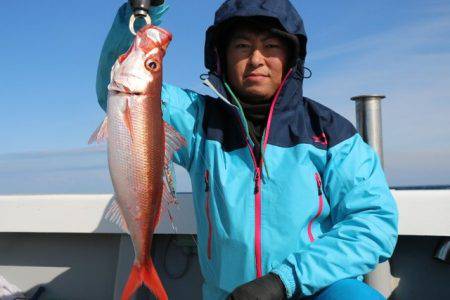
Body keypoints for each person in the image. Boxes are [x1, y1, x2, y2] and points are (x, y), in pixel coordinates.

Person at [96, 1, 398, 299]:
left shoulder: (330, 132)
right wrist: (142, 12)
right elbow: (119, 88)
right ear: (221, 58)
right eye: (242, 46)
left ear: (291, 57)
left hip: (316, 290)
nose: (257, 59)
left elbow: (373, 222)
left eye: (270, 46)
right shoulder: (196, 120)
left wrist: (284, 281)